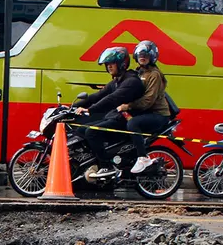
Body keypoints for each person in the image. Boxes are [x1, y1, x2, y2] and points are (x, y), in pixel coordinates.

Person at [74, 46, 142, 179]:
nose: (109, 67)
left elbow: (111, 99)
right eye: (107, 64)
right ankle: (94, 163)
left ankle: (107, 165)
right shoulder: (116, 81)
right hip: (115, 117)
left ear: (121, 64)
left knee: (91, 132)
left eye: (112, 63)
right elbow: (97, 96)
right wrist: (71, 107)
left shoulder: (131, 81)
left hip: (125, 120)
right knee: (81, 130)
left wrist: (90, 110)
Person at [121, 40, 172, 175]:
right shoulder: (139, 72)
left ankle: (142, 157)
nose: (142, 57)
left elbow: (149, 100)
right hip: (145, 112)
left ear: (152, 57)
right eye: (140, 54)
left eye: (146, 55)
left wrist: (128, 106)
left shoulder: (154, 74)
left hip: (158, 115)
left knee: (133, 123)